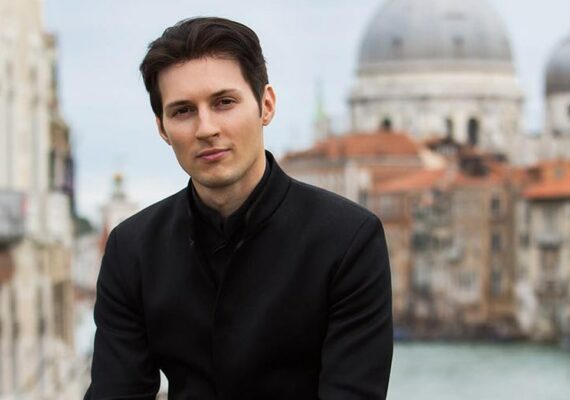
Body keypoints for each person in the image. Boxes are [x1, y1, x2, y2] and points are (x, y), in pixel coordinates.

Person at [85, 17, 393, 400]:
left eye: (224, 103)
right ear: (163, 128)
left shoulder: (348, 240)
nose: (206, 128)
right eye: (183, 111)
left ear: (266, 105)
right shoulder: (131, 249)